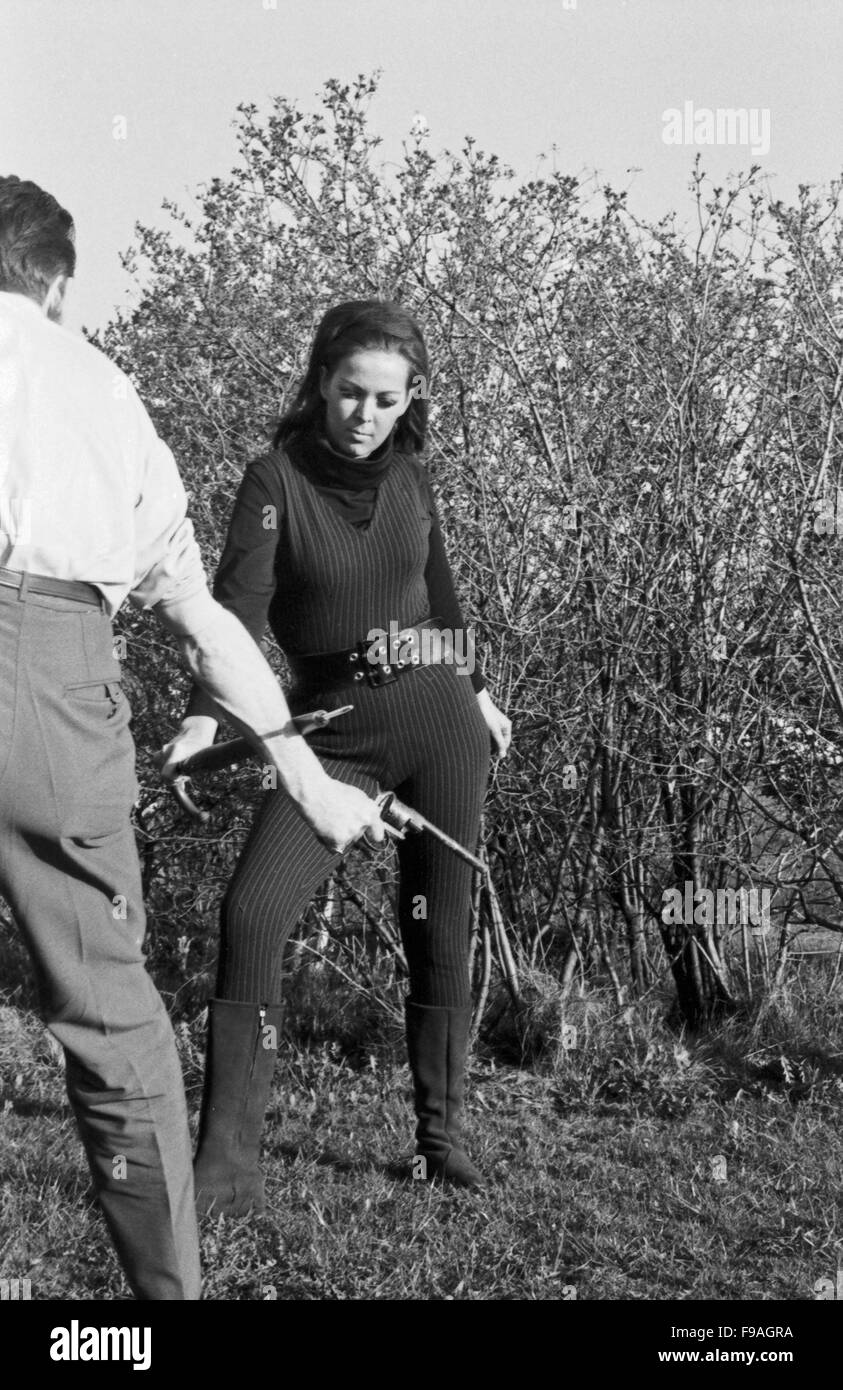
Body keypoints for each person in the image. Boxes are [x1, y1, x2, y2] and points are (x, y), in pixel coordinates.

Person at [0, 179, 385, 1300]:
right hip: (56, 679)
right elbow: (205, 621)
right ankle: (168, 1311)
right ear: (60, 282)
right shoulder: (105, 392)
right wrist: (305, 778)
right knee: (112, 1016)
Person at [160, 300, 512, 1214]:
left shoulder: (414, 480)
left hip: (440, 723)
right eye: (350, 392)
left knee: (440, 928)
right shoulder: (271, 481)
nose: (366, 415)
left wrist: (474, 690)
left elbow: (439, 594)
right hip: (331, 730)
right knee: (254, 910)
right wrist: (204, 718)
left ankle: (441, 1142)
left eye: (386, 400)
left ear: (411, 399)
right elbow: (234, 612)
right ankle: (226, 1171)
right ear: (320, 381)